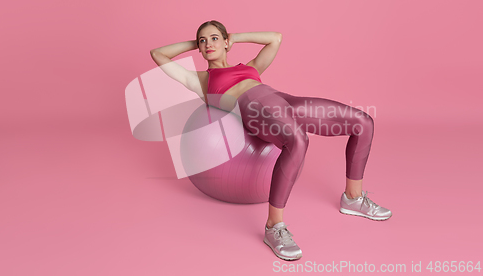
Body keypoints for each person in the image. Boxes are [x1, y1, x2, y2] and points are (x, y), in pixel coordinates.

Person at [150, 20, 392, 261]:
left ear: (226, 42)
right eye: (203, 41)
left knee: (363, 122)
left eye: (214, 38)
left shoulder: (253, 67)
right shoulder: (201, 80)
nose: (207, 44)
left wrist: (234, 37)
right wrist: (196, 43)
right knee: (297, 141)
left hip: (285, 102)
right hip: (255, 111)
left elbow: (275, 38)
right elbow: (158, 54)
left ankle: (353, 198)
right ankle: (274, 227)